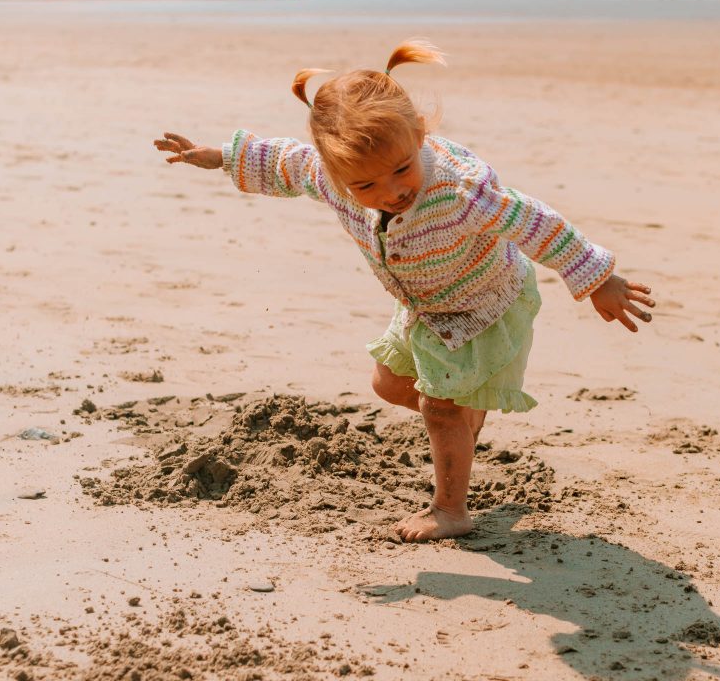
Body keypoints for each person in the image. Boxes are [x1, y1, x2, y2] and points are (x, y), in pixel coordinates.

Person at [153, 40, 655, 542]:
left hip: (482, 302)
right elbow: (287, 161)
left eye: (401, 171)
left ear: (419, 133)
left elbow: (534, 221)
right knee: (390, 386)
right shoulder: (331, 176)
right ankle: (465, 414)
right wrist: (220, 156)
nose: (391, 192)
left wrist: (596, 278)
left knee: (438, 407)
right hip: (425, 304)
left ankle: (450, 508)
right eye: (365, 187)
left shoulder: (461, 190)